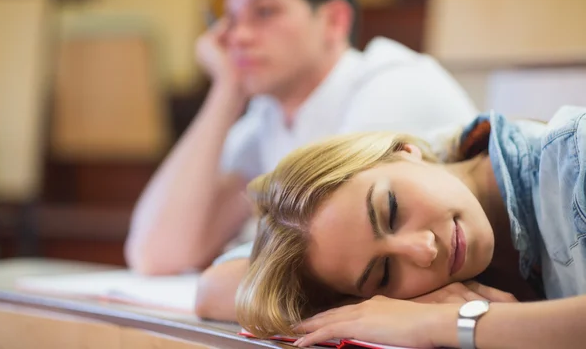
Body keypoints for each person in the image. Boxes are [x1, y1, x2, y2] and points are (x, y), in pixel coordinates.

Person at [125, 0, 477, 279]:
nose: (239, 37)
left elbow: (324, 266)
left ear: (334, 21)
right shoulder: (268, 116)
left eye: (264, 12)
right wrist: (225, 93)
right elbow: (156, 254)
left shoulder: (392, 84)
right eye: (229, 21)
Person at [235, 106, 586, 349]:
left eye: (391, 210)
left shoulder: (575, 155)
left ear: (405, 150)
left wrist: (442, 323)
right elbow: (216, 287)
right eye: (385, 273)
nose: (424, 250)